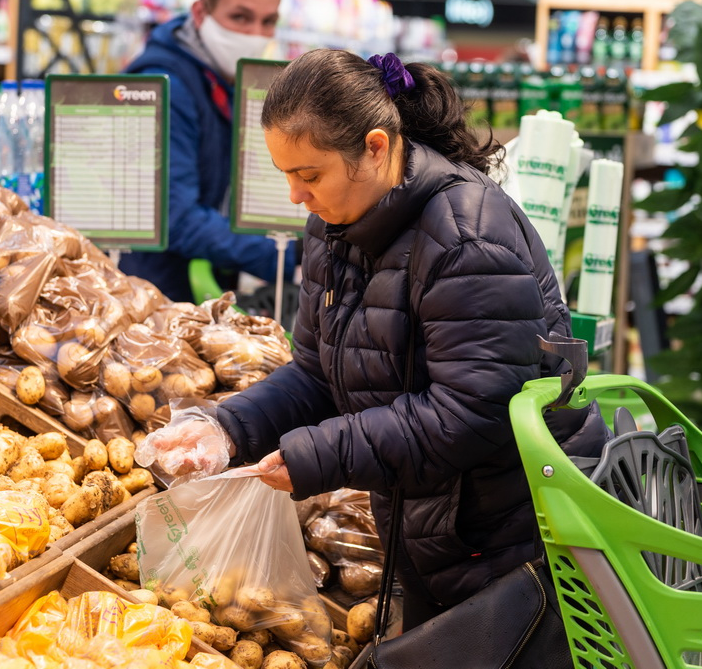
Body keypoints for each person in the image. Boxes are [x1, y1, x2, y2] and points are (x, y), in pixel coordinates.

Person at [137, 49, 608, 637]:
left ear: (377, 148)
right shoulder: (337, 229)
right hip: (436, 528)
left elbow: (473, 411)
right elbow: (316, 373)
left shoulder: (467, 236)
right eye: (285, 175)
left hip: (516, 544)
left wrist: (319, 455)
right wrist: (227, 427)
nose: (295, 196)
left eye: (309, 175)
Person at [120, 0, 297, 303]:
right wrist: (285, 258)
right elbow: (175, 216)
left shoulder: (228, 80)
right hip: (154, 291)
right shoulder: (165, 85)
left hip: (203, 282)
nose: (255, 34)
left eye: (268, 21)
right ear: (200, 13)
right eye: (240, 17)